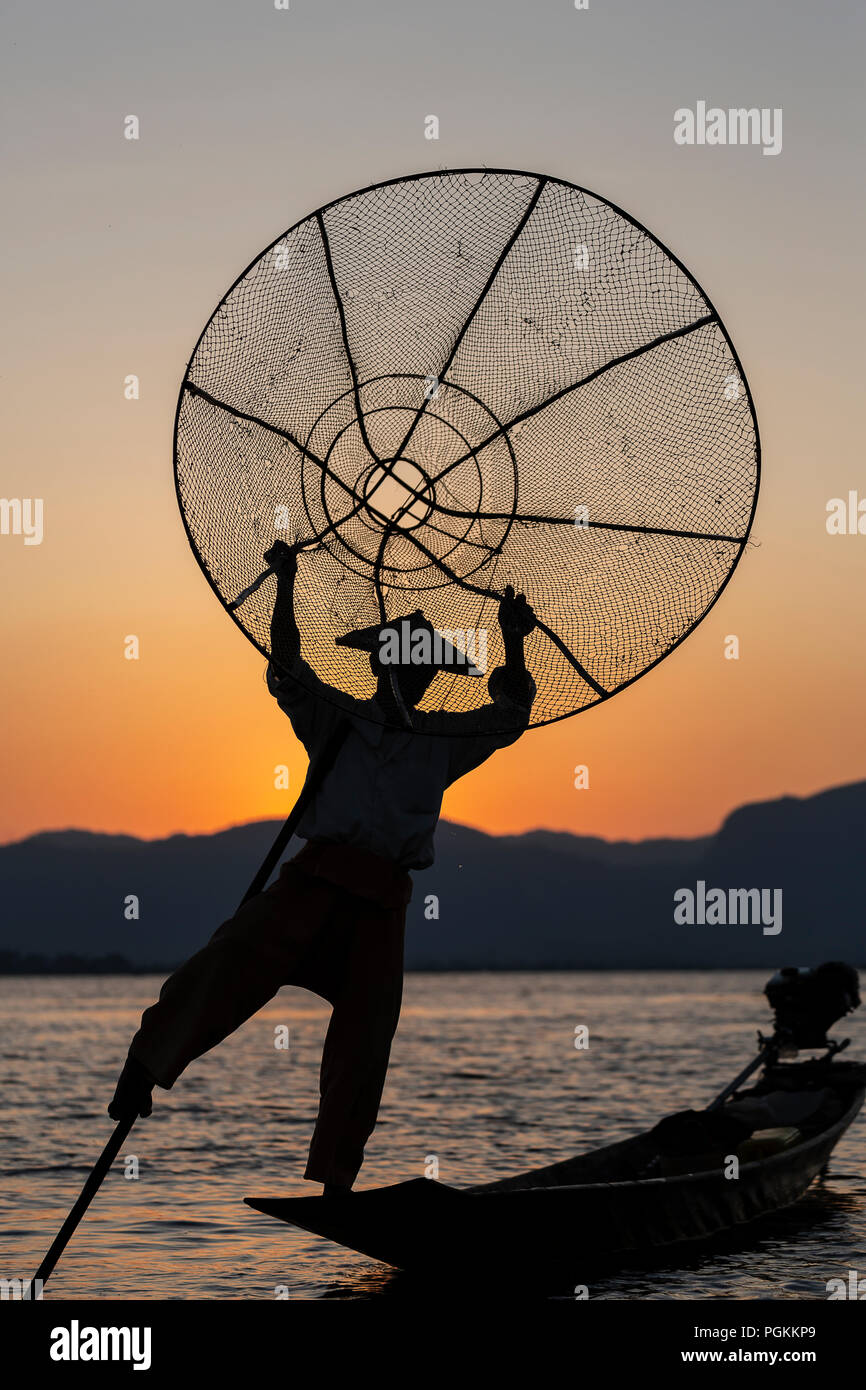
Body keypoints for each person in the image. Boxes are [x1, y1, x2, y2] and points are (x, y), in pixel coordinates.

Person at [108, 540, 537, 1193]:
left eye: (423, 670)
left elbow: (510, 715)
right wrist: (286, 583)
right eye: (405, 665)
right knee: (229, 965)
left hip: (382, 902)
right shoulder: (334, 715)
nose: (414, 678)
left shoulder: (442, 743)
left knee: (366, 1042)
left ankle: (337, 1177)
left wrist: (513, 642)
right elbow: (287, 662)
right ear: (382, 665)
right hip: (314, 881)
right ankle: (145, 1067)